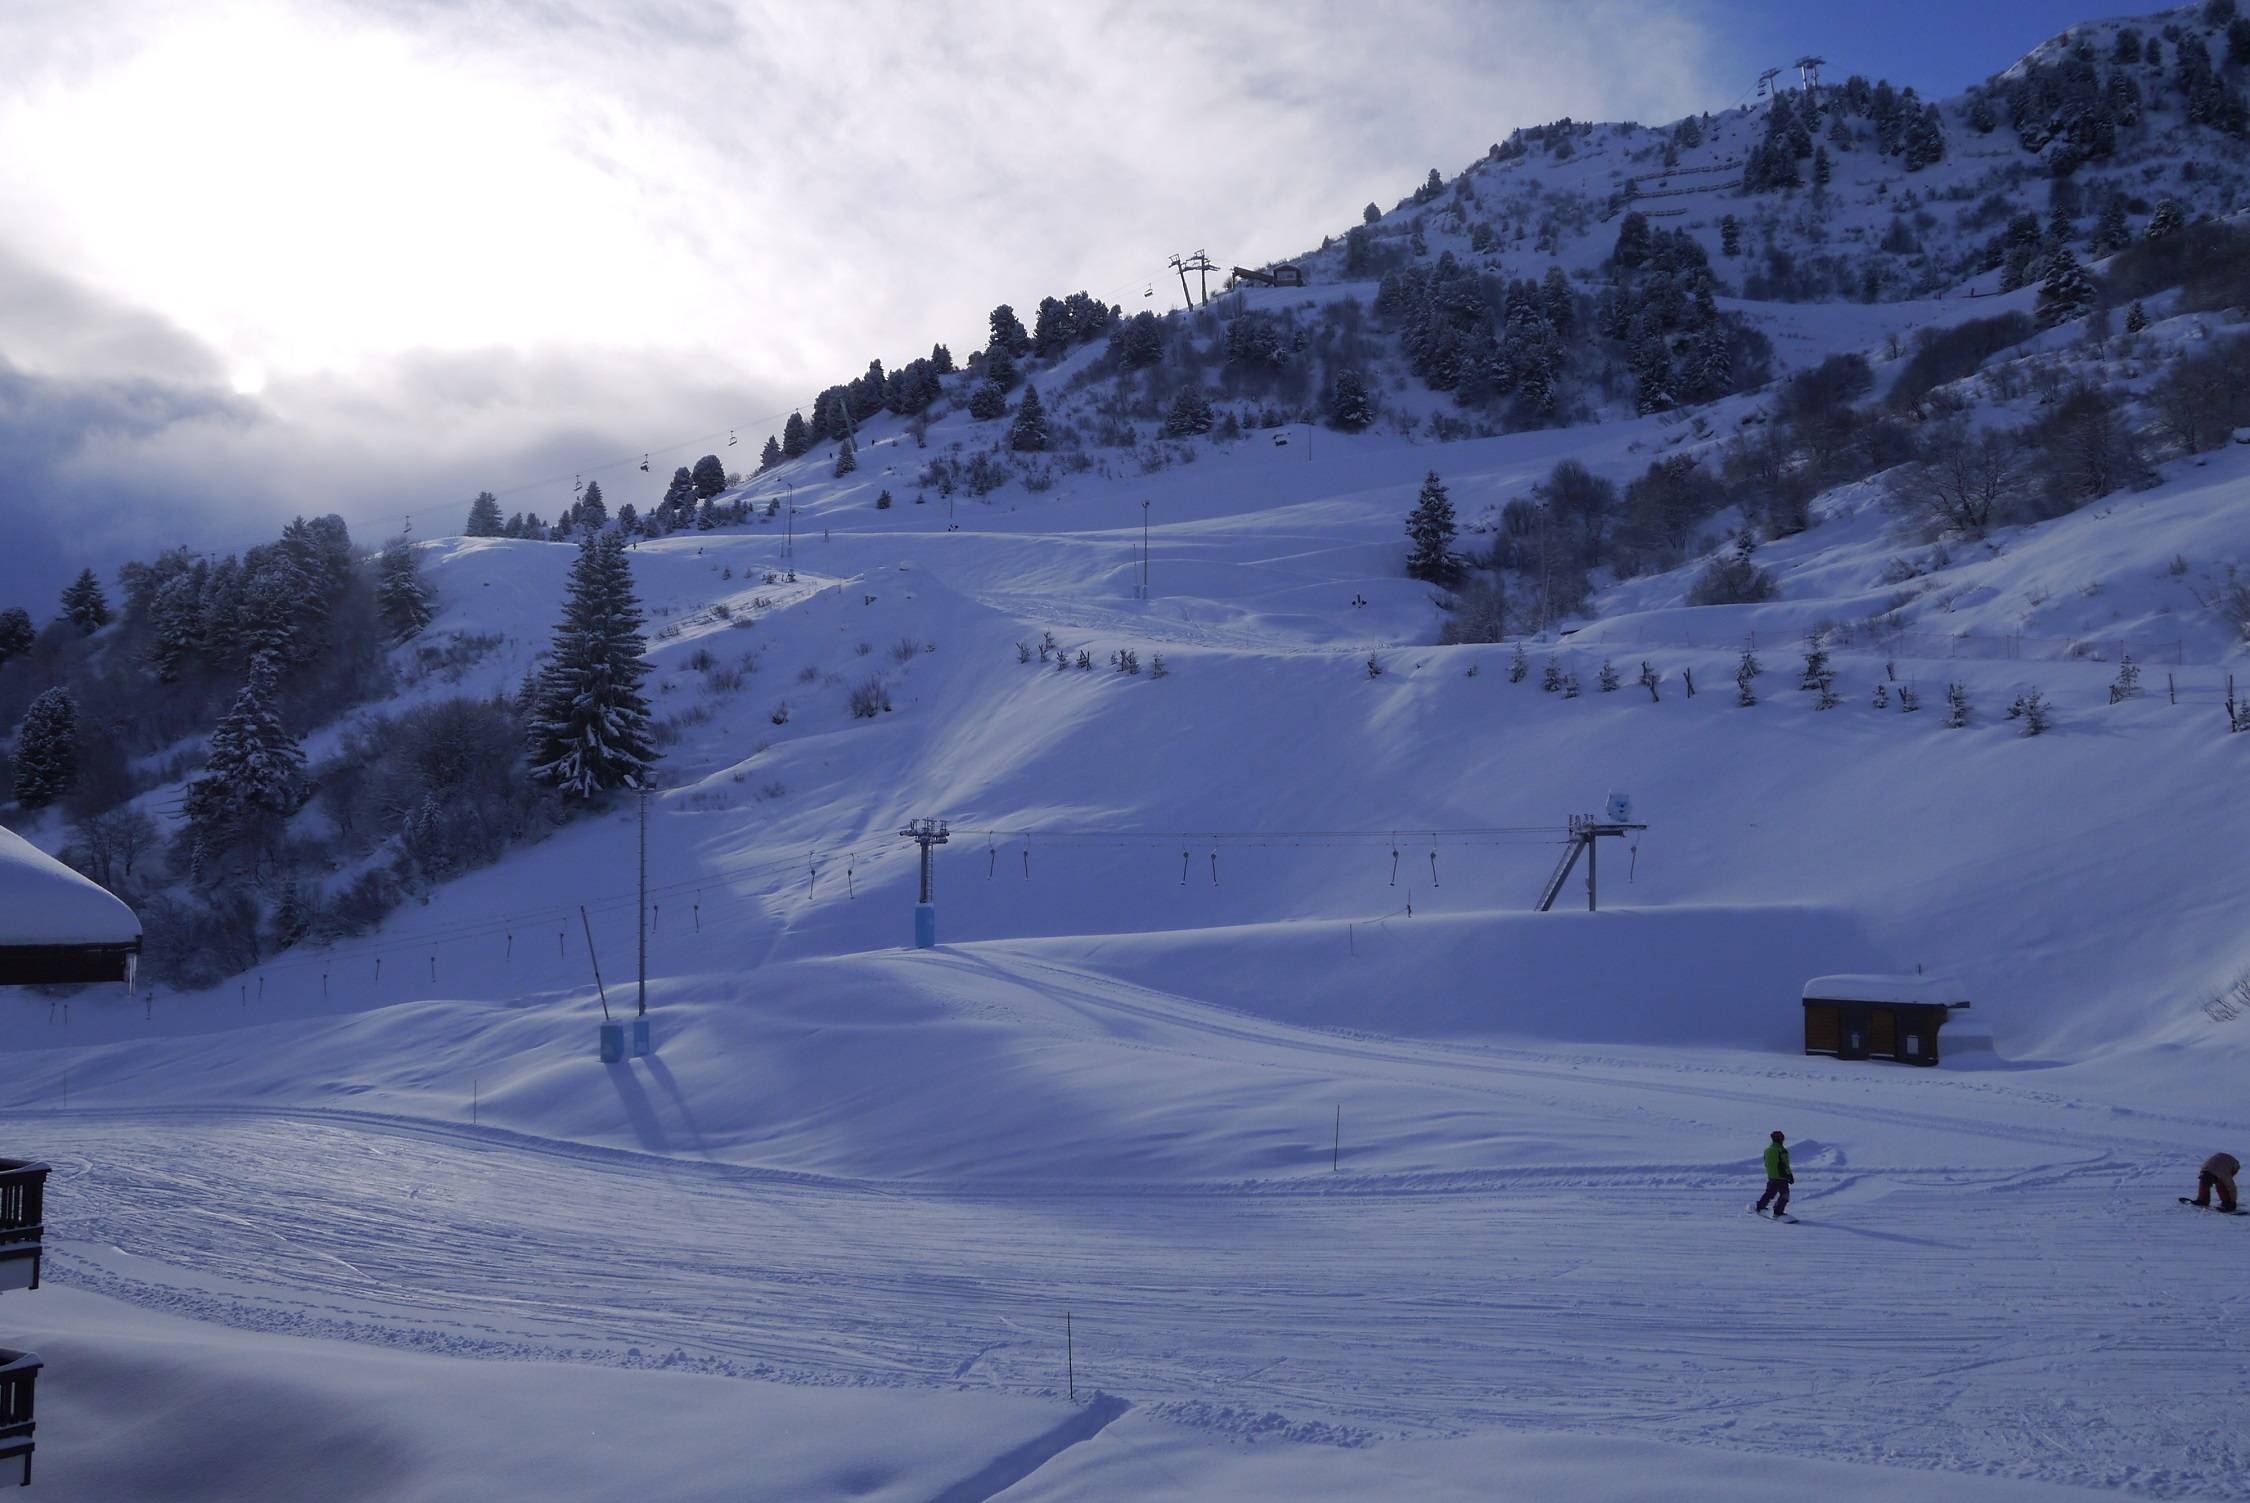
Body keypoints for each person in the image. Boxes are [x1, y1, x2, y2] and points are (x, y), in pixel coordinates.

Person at [1751, 1130, 1794, 1219]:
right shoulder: (1782, 1151)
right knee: (1784, 1195)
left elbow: (1766, 1163)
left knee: (1770, 1193)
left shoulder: (1767, 1150)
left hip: (1771, 1176)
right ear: (1780, 1139)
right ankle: (1778, 1212)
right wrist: (1790, 1175)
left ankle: (1760, 1206)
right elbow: (1785, 1164)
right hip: (1781, 1177)